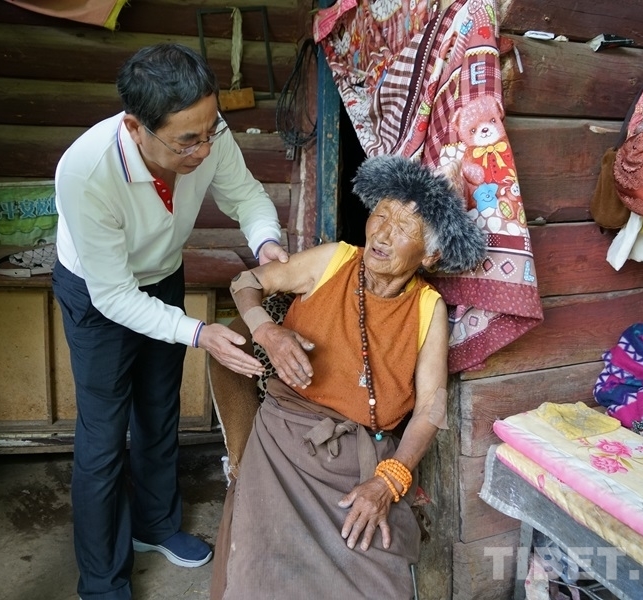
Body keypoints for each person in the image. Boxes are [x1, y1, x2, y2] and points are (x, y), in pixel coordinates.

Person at [52, 42, 286, 600]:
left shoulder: (209, 134)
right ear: (136, 128)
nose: (204, 149)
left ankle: (155, 526)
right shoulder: (87, 171)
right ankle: (102, 583)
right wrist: (199, 333)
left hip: (162, 274)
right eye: (187, 141)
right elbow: (114, 296)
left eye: (210, 131)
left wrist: (267, 244)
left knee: (158, 410)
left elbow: (246, 197)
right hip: (98, 294)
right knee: (103, 436)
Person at [212, 155, 487, 599]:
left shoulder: (427, 307)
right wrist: (266, 331)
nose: (382, 234)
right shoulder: (334, 260)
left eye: (403, 228)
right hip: (286, 443)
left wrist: (389, 480)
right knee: (263, 570)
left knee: (376, 575)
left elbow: (431, 406)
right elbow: (246, 280)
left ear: (430, 255)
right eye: (381, 215)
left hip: (366, 458)